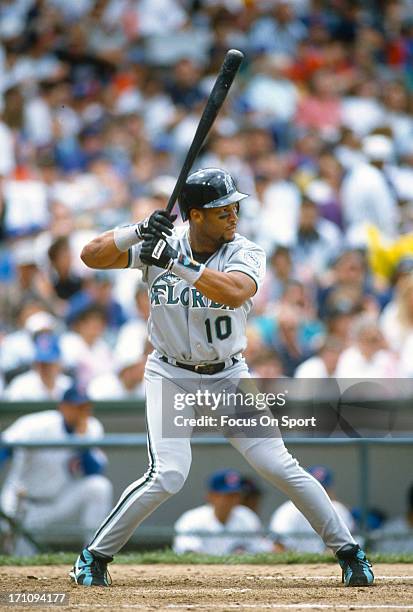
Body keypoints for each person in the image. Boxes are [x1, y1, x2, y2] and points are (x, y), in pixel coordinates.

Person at [70, 168, 373, 587]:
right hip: (170, 373)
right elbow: (90, 255)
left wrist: (175, 263)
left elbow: (233, 291)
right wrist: (137, 232)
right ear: (194, 216)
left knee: (279, 466)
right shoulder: (160, 244)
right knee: (168, 475)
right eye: (221, 210)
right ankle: (94, 556)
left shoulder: (244, 251)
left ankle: (349, 552)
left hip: (227, 376)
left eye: (234, 207)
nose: (233, 215)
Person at [0, 384, 112, 554]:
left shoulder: (92, 427)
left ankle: (93, 554)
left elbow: (93, 471)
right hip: (25, 503)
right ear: (63, 406)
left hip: (60, 499)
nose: (81, 412)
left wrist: (82, 441)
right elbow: (4, 448)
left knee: (98, 487)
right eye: (76, 406)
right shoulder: (37, 424)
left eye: (85, 407)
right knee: (21, 561)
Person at [173, 469, 269, 555]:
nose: (233, 499)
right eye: (227, 495)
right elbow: (189, 553)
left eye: (236, 494)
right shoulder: (192, 518)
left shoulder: (247, 516)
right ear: (211, 496)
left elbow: (261, 550)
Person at [269, 466, 355, 554]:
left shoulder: (338, 509)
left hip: (325, 564)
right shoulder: (287, 511)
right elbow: (278, 547)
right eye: (315, 488)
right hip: (295, 563)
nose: (318, 493)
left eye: (323, 489)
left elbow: (344, 547)